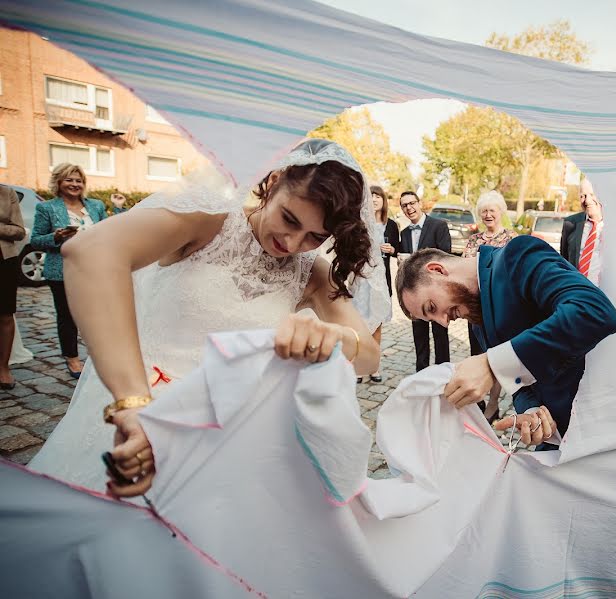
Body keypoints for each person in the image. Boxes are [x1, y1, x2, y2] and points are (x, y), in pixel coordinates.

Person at [27, 139, 386, 497]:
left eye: (315, 237)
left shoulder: (311, 273)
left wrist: (335, 338)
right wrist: (133, 402)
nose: (292, 243)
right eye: (289, 219)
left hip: (227, 436)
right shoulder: (207, 220)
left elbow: (369, 356)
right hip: (144, 406)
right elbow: (91, 252)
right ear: (274, 181)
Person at [395, 235, 616, 446]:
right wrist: (530, 410)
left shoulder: (517, 255)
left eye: (432, 307)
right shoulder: (474, 318)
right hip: (559, 441)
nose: (443, 323)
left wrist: (492, 364)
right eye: (432, 320)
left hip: (604, 426)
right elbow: (515, 381)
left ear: (437, 270)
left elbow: (594, 311)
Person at [30, 164, 108, 379]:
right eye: (69, 180)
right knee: (67, 315)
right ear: (58, 182)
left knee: (97, 313)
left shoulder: (96, 205)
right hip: (63, 270)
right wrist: (56, 236)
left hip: (94, 268)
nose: (75, 184)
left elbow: (108, 231)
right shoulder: (47, 208)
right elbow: (35, 240)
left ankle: (100, 355)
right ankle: (72, 358)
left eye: (79, 180)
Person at [461, 190, 516, 422]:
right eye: (484, 211)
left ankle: (493, 404)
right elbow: (463, 271)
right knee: (477, 355)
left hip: (502, 307)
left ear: (500, 212)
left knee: (497, 357)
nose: (488, 215)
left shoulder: (512, 239)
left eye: (492, 210)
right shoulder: (474, 240)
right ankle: (479, 401)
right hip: (476, 308)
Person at [398, 191, 452, 372]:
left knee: (440, 335)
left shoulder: (439, 225)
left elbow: (445, 257)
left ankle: (443, 373)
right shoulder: (404, 233)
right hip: (415, 293)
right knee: (419, 337)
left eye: (412, 203)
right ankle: (421, 375)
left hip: (436, 291)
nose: (409, 208)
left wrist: (414, 260)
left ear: (419, 203)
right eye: (404, 205)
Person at [367, 185, 400, 383]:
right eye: (370, 196)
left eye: (378, 196)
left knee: (377, 324)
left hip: (381, 279)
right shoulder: (362, 223)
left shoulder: (391, 225)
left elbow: (398, 250)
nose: (374, 199)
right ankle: (358, 367)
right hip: (362, 279)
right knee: (361, 324)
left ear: (383, 200)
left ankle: (374, 366)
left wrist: (392, 249)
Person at [0, 184, 26, 390]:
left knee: (5, 314)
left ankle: (3, 368)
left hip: (4, 260)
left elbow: (19, 231)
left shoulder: (6, 193)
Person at [559, 178, 604, 285]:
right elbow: (564, 261)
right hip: (578, 291)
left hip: (607, 294)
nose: (587, 201)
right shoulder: (570, 224)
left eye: (592, 195)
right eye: (582, 196)